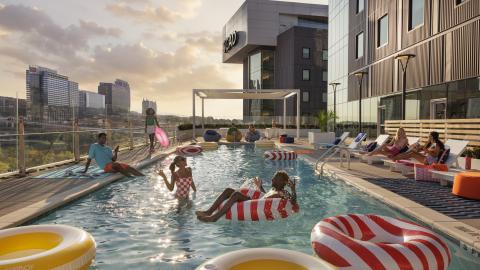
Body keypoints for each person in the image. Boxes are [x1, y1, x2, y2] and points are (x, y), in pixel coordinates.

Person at [195, 171, 297, 222]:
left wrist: (293, 189)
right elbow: (265, 196)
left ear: (283, 182)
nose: (272, 180)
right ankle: (209, 211)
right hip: (255, 201)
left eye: (275, 179)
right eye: (273, 178)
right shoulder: (274, 189)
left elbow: (292, 202)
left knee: (236, 194)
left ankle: (214, 218)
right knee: (228, 190)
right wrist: (260, 186)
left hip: (255, 204)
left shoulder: (284, 193)